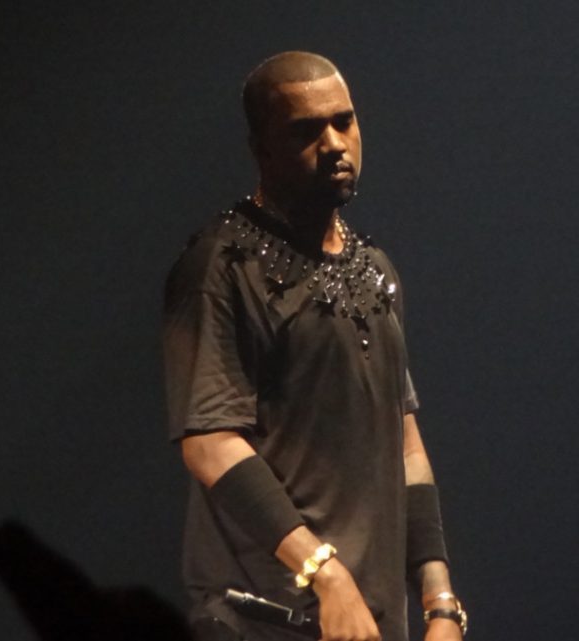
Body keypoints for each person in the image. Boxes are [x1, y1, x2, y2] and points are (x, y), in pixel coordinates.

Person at [162, 51, 467, 641]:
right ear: (261, 149)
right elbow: (210, 443)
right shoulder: (220, 267)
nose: (333, 144)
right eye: (305, 131)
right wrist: (325, 574)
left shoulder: (375, 269)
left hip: (369, 620)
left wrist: (440, 601)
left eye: (343, 122)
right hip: (268, 616)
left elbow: (405, 445)